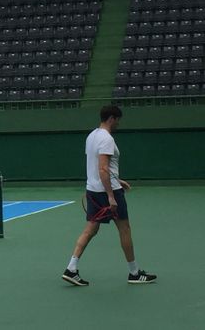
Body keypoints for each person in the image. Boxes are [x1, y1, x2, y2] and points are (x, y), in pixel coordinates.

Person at [62, 105, 157, 287]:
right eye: (118, 120)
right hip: (108, 192)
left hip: (93, 190)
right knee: (125, 229)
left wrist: (117, 179)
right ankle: (134, 273)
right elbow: (103, 168)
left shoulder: (92, 136)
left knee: (90, 230)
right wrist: (111, 196)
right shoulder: (107, 139)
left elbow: (100, 167)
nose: (119, 123)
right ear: (112, 118)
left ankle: (71, 269)